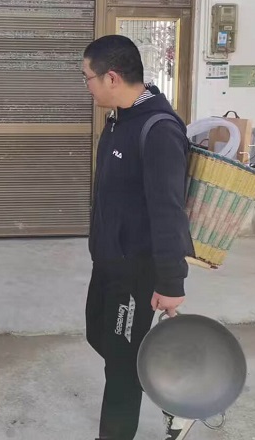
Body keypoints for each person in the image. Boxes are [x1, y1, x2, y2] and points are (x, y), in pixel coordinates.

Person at [82, 35, 195, 440]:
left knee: (121, 367)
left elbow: (168, 211)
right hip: (109, 262)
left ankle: (154, 415)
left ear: (111, 77)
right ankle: (174, 398)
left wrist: (171, 282)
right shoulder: (119, 120)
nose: (87, 87)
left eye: (88, 77)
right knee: (99, 335)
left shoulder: (158, 129)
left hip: (137, 271)